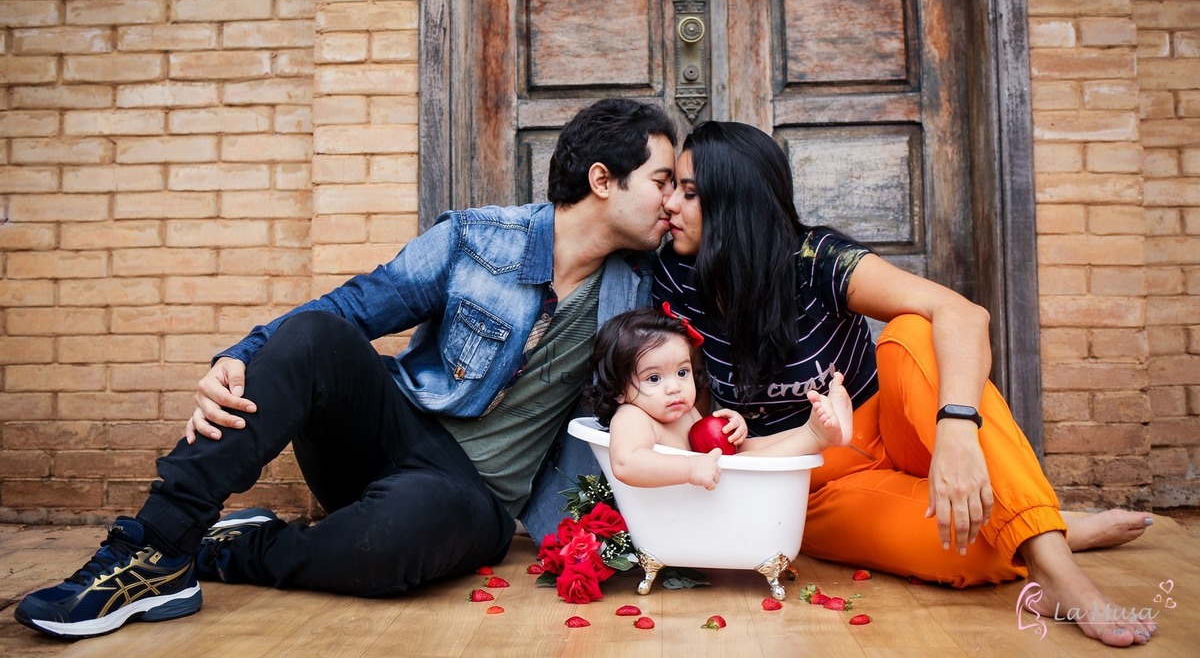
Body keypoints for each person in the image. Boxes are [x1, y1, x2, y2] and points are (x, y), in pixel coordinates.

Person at [14, 98, 678, 639]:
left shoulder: (644, 287)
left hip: (471, 500)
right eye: (661, 181)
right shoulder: (480, 238)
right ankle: (151, 547)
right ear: (602, 180)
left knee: (389, 548)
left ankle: (231, 551)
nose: (673, 201)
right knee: (316, 334)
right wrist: (237, 357)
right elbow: (353, 305)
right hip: (389, 433)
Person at [652, 119, 1157, 648]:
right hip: (810, 476)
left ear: (736, 205)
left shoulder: (816, 259)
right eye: (671, 190)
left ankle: (1057, 570)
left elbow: (962, 313)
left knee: (916, 329)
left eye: (689, 193)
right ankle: (1049, 530)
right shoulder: (672, 279)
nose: (670, 205)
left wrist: (957, 432)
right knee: (961, 552)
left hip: (900, 427)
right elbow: (675, 405)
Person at [583, 306, 853, 490]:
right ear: (619, 388)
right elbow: (626, 463)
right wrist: (690, 469)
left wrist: (734, 426)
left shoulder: (682, 410)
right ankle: (814, 437)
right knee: (740, 464)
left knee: (746, 447)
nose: (674, 387)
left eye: (682, 372)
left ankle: (820, 432)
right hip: (689, 502)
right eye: (654, 378)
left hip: (711, 487)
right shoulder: (632, 417)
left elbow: (716, 447)